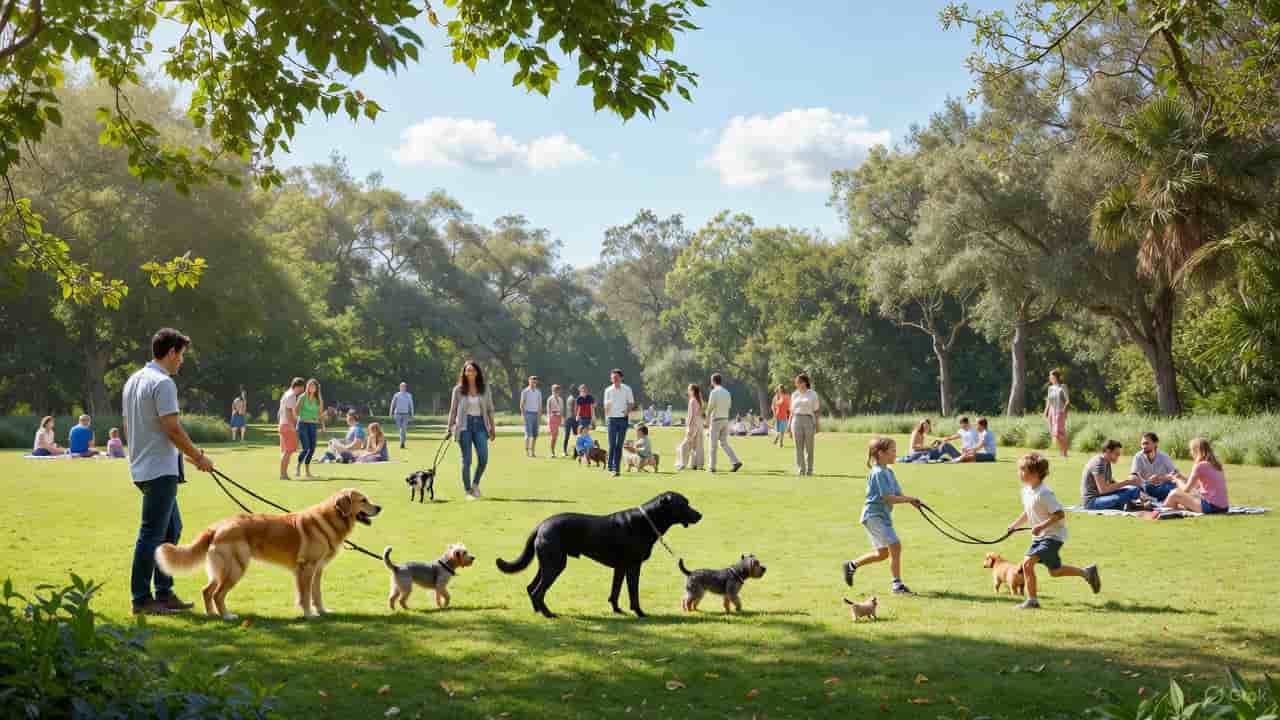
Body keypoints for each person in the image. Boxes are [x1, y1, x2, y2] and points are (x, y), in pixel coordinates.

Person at [123, 327, 214, 616]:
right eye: (182, 355)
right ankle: (142, 599)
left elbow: (133, 427)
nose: (182, 362)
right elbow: (171, 428)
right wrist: (198, 456)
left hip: (142, 465)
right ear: (172, 352)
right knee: (152, 533)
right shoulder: (163, 383)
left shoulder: (134, 380)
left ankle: (163, 592)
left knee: (171, 528)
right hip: (158, 468)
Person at [1006, 452, 1102, 609]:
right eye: (1019, 470)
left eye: (1023, 470)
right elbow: (1028, 512)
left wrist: (1041, 526)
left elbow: (1059, 514)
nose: (1019, 473)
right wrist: (1014, 525)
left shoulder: (1044, 493)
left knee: (1027, 563)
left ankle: (1032, 601)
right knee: (1055, 571)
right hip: (1040, 538)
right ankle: (1087, 573)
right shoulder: (1026, 491)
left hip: (1053, 537)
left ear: (1036, 473)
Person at [842, 437, 922, 595]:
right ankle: (897, 585)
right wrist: (909, 499)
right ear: (881, 453)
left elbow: (897, 493)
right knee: (895, 546)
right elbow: (888, 497)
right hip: (874, 516)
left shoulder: (889, 471)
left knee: (883, 554)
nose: (895, 453)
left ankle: (851, 565)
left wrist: (911, 501)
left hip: (880, 516)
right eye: (892, 450)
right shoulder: (878, 472)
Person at [447, 360, 496, 499]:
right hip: (464, 426)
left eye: (473, 370)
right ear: (464, 373)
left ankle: (475, 484)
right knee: (466, 460)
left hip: (481, 424)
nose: (470, 373)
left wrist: (492, 427)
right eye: (467, 370)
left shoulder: (485, 388)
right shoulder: (458, 389)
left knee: (483, 458)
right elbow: (453, 410)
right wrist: (449, 427)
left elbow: (490, 409)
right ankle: (468, 491)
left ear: (477, 372)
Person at [1162, 438, 1230, 514]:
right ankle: (1171, 509)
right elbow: (1197, 485)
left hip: (1211, 507)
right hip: (1223, 508)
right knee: (1185, 497)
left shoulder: (1200, 466)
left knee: (1173, 493)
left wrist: (1175, 479)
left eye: (1191, 450)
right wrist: (1181, 477)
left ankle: (1163, 511)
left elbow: (1186, 490)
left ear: (1197, 450)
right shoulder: (1216, 465)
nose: (1191, 453)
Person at [1081, 440, 1144, 510]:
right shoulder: (1098, 463)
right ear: (1108, 451)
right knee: (1130, 492)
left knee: (1133, 489)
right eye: (1116, 454)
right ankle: (1128, 504)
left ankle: (1128, 504)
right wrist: (1127, 482)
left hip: (1101, 497)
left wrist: (1131, 483)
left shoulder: (1106, 462)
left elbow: (1111, 483)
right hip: (1092, 502)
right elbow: (1103, 490)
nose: (1118, 456)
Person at [1128, 432, 1184, 502]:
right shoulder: (1138, 457)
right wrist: (1143, 482)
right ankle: (1152, 498)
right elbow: (1133, 475)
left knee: (1171, 487)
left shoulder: (1164, 456)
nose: (1144, 446)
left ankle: (1151, 499)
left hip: (1162, 487)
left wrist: (1160, 478)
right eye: (1142, 444)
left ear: (1155, 443)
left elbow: (1175, 474)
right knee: (1133, 487)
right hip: (1146, 487)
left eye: (1146, 443)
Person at [706, 373, 742, 474]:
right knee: (724, 443)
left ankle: (712, 467)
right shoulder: (727, 392)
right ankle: (735, 461)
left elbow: (710, 407)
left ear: (713, 381)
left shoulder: (714, 392)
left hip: (716, 419)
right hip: (725, 419)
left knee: (713, 445)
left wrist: (707, 419)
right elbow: (729, 406)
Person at [603, 369, 635, 477]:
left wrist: (627, 411)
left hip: (622, 420)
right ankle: (610, 466)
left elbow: (631, 403)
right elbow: (606, 406)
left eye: (616, 377)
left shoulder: (627, 389)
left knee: (619, 445)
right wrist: (606, 419)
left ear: (621, 378)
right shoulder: (608, 390)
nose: (614, 379)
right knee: (612, 445)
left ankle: (617, 469)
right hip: (611, 420)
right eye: (612, 378)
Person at [789, 373, 820, 476]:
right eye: (796, 382)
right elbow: (791, 411)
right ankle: (801, 469)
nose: (796, 384)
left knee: (809, 447)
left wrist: (817, 424)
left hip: (808, 420)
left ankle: (809, 470)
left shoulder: (813, 394)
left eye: (798, 382)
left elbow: (816, 411)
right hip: (796, 420)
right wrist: (789, 426)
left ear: (804, 383)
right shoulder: (794, 394)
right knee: (798, 447)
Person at [294, 379, 325, 479]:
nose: (311, 388)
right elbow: (296, 410)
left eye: (313, 386)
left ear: (316, 388)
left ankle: (307, 471)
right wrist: (301, 419)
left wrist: (323, 425)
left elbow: (320, 414)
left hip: (313, 425)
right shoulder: (302, 397)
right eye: (309, 386)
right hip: (303, 424)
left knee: (312, 449)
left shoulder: (318, 399)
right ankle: (298, 467)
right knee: (306, 448)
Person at [277, 377, 305, 480]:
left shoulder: (286, 394)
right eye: (302, 388)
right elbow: (289, 412)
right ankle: (283, 474)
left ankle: (283, 474)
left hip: (283, 424)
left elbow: (281, 412)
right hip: (288, 426)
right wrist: (293, 426)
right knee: (288, 451)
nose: (303, 390)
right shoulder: (291, 396)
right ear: (299, 386)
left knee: (285, 451)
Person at [674, 384, 705, 471]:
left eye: (689, 390)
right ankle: (697, 465)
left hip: (693, 425)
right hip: (699, 424)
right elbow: (701, 414)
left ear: (692, 391)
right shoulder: (700, 401)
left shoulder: (692, 401)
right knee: (697, 446)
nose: (688, 391)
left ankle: (682, 463)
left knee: (684, 445)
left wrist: (689, 427)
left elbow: (691, 416)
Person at [1044, 369, 1070, 458]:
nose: (1050, 378)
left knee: (1058, 433)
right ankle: (1062, 452)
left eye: (1051, 376)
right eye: (1050, 376)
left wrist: (1064, 410)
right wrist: (1046, 411)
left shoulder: (1063, 386)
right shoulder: (1050, 388)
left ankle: (1065, 452)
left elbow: (1067, 400)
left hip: (1060, 411)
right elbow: (1048, 401)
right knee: (1053, 433)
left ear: (1055, 377)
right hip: (1051, 411)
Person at [519, 375, 543, 458]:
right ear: (529, 381)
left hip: (536, 414)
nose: (533, 383)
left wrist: (539, 416)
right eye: (532, 382)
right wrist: (523, 415)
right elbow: (521, 404)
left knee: (535, 435)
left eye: (535, 382)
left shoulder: (538, 392)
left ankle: (532, 451)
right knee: (528, 434)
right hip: (528, 414)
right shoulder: (525, 391)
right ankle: (527, 451)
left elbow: (540, 405)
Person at [389, 381, 415, 449]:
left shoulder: (409, 395)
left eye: (404, 386)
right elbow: (393, 404)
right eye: (402, 386)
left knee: (403, 429)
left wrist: (412, 413)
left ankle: (402, 443)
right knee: (400, 429)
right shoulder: (396, 395)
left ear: (406, 387)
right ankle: (402, 441)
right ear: (400, 387)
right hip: (397, 414)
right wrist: (390, 412)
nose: (403, 388)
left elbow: (411, 405)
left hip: (405, 414)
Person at [562, 384, 580, 459]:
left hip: (569, 419)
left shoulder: (570, 398)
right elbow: (574, 410)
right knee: (572, 436)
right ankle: (570, 452)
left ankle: (569, 451)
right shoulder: (574, 399)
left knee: (569, 436)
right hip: (572, 419)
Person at [546, 384, 564, 459]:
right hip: (552, 418)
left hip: (558, 418)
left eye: (557, 391)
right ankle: (552, 452)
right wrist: (549, 419)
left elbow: (562, 410)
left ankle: (553, 450)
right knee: (553, 436)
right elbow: (548, 410)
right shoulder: (550, 399)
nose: (556, 392)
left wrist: (561, 419)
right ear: (552, 391)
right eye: (554, 391)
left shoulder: (560, 399)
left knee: (556, 436)